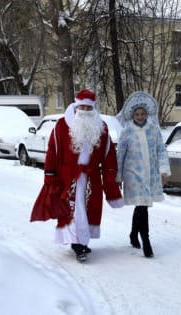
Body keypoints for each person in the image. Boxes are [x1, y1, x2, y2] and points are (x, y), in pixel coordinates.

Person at [31, 89, 123, 262]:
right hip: (68, 178)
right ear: (76, 106)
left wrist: (110, 175)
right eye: (82, 107)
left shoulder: (101, 127)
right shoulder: (61, 125)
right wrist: (50, 173)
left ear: (93, 109)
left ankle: (82, 241)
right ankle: (77, 244)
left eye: (89, 108)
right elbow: (53, 150)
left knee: (89, 211)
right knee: (74, 211)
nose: (85, 111)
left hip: (92, 178)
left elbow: (108, 155)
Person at [116, 91, 171, 258]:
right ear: (132, 115)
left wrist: (163, 169)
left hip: (150, 174)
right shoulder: (126, 132)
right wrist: (118, 176)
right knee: (142, 207)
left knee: (142, 206)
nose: (140, 116)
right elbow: (120, 155)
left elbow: (161, 150)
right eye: (137, 114)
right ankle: (146, 242)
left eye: (142, 114)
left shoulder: (154, 130)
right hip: (133, 176)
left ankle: (133, 234)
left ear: (147, 114)